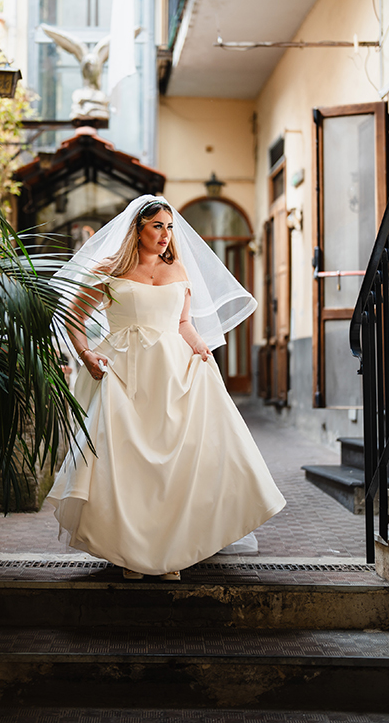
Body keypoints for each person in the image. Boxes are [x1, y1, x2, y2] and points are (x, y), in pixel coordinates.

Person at [46, 195, 285, 580]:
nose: (165, 234)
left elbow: (183, 322)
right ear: (137, 229)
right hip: (123, 371)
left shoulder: (179, 270)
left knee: (179, 462)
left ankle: (170, 553)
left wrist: (199, 343)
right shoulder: (109, 269)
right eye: (157, 226)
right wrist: (86, 353)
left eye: (169, 227)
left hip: (174, 371)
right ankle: (129, 553)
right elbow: (74, 314)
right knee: (125, 462)